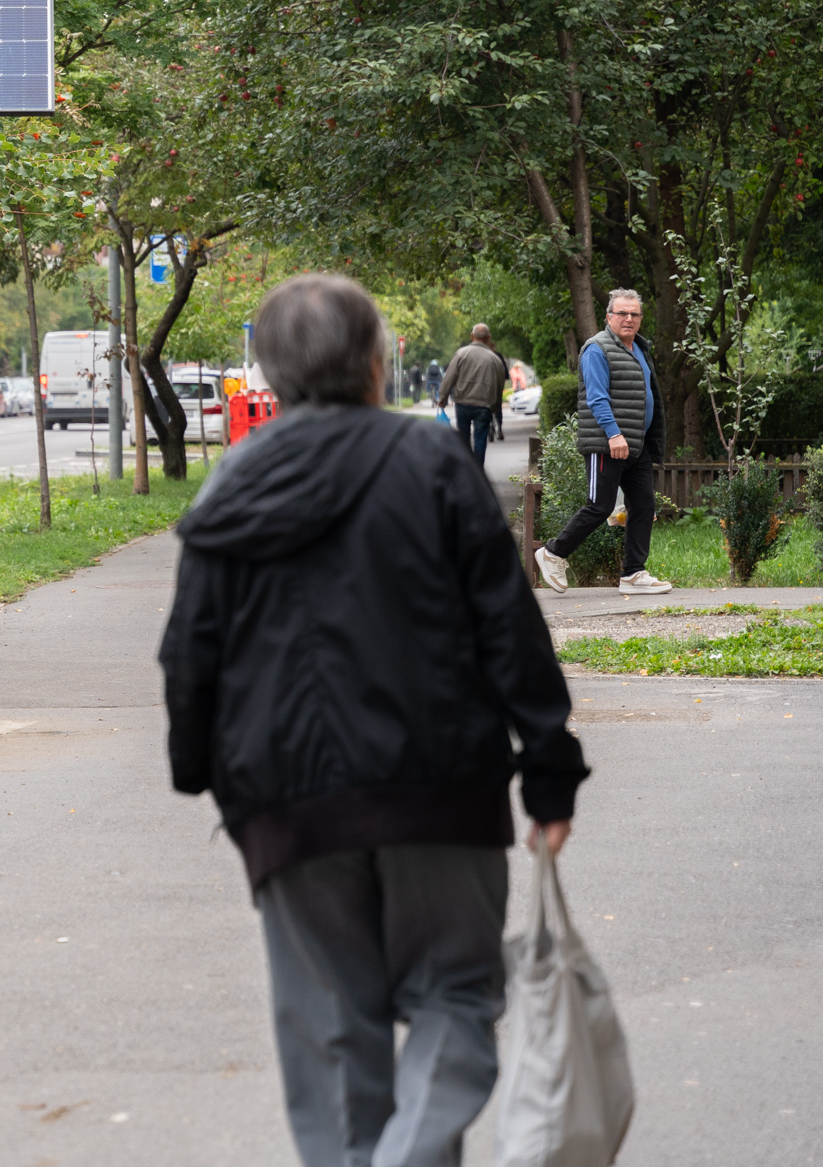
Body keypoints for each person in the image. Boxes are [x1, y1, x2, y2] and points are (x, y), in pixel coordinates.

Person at [161, 273, 587, 1167]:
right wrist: (548, 765)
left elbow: (190, 651)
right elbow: (507, 625)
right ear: (378, 361)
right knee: (455, 999)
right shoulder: (432, 465)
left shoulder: (231, 487)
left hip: (285, 798)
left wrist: (203, 768)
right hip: (440, 787)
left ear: (270, 374)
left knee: (331, 1031)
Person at [536, 289, 673, 597]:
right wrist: (613, 433)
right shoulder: (597, 349)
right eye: (622, 313)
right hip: (607, 443)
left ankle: (633, 573)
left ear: (640, 319)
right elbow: (596, 398)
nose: (628, 319)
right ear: (609, 317)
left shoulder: (639, 348)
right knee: (600, 506)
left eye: (634, 314)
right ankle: (553, 553)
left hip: (635, 445)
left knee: (644, 505)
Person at [435, 323, 507, 466]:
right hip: (484, 405)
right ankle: (478, 471)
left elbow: (449, 376)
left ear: (472, 336)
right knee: (480, 438)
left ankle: (466, 470)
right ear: (488, 338)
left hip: (463, 403)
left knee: (464, 438)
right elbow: (500, 384)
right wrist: (496, 404)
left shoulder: (461, 353)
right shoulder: (495, 359)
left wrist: (442, 396)